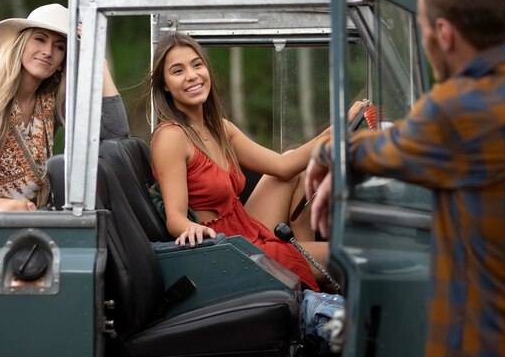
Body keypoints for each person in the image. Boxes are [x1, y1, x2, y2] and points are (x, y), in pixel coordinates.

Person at [306, 0, 505, 357]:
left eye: (424, 28)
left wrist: (327, 154)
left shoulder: (457, 109)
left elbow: (381, 148)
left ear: (443, 34)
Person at [148, 32, 365, 292]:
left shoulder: (219, 128)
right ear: (164, 85)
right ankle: (313, 276)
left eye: (197, 65)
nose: (192, 75)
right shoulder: (171, 137)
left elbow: (282, 166)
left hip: (244, 226)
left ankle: (310, 277)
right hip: (226, 248)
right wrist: (193, 229)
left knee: (292, 170)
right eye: (177, 71)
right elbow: (174, 217)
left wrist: (337, 128)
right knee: (348, 255)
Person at [0, 3, 129, 211]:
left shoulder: (54, 100)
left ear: (63, 61)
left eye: (59, 46)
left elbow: (115, 134)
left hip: (34, 210)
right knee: (16, 209)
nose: (48, 52)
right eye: (40, 39)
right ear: (22, 44)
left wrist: (101, 64)